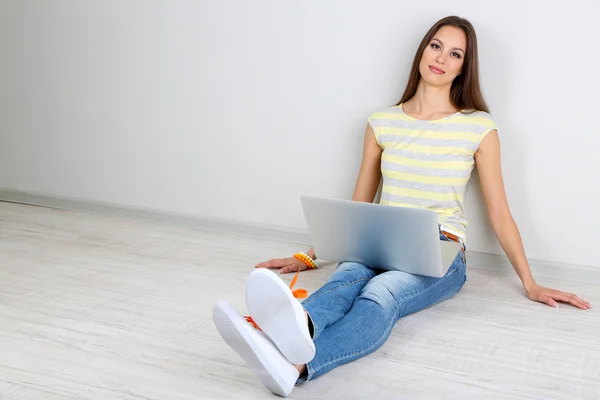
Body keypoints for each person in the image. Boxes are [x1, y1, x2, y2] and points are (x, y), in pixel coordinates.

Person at [211, 15, 591, 397]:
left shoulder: (478, 127)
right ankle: (282, 334)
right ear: (423, 50)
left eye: (455, 53)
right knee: (344, 281)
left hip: (441, 246)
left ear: (463, 67)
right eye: (436, 46)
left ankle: (295, 364)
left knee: (381, 294)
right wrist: (308, 257)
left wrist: (530, 283)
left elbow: (500, 213)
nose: (441, 57)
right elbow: (359, 204)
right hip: (378, 239)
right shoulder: (382, 122)